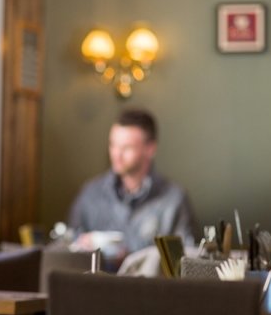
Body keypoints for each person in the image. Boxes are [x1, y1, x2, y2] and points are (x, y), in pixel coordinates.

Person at [67, 108, 194, 266]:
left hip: (151, 289)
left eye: (126, 148)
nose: (116, 154)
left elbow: (186, 260)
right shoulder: (90, 194)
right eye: (113, 145)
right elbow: (69, 243)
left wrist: (132, 257)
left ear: (150, 149)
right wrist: (80, 244)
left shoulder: (174, 200)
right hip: (97, 287)